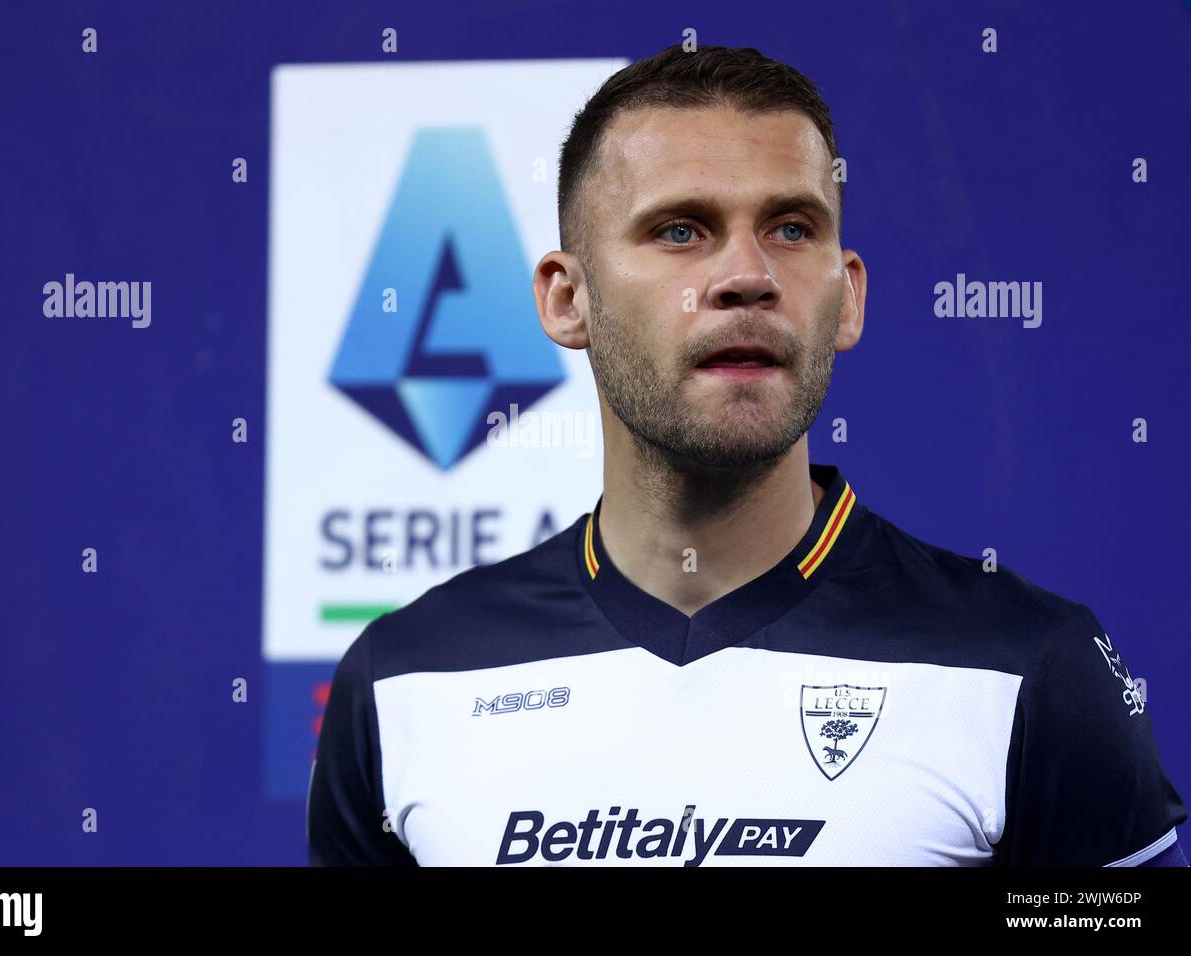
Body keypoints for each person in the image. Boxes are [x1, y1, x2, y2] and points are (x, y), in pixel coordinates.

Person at [308, 43, 1187, 866]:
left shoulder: (1033, 668)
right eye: (682, 230)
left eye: (792, 229)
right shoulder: (405, 681)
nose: (746, 275)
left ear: (846, 300)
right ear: (566, 299)